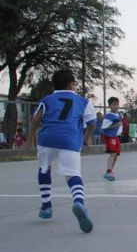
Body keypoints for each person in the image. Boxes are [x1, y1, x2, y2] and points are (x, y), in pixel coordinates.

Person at [25, 69, 97, 231]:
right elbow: (92, 123)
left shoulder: (47, 100)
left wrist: (29, 141)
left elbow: (35, 120)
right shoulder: (83, 101)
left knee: (44, 169)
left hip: (46, 139)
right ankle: (78, 202)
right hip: (69, 140)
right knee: (73, 174)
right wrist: (86, 138)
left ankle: (46, 206)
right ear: (71, 84)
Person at [101, 97, 122, 180]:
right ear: (110, 106)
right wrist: (114, 126)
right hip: (110, 136)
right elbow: (104, 128)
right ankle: (108, 171)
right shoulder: (108, 116)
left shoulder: (118, 115)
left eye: (117, 104)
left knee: (115, 156)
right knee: (113, 153)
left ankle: (109, 171)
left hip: (115, 136)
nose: (116, 106)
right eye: (114, 104)